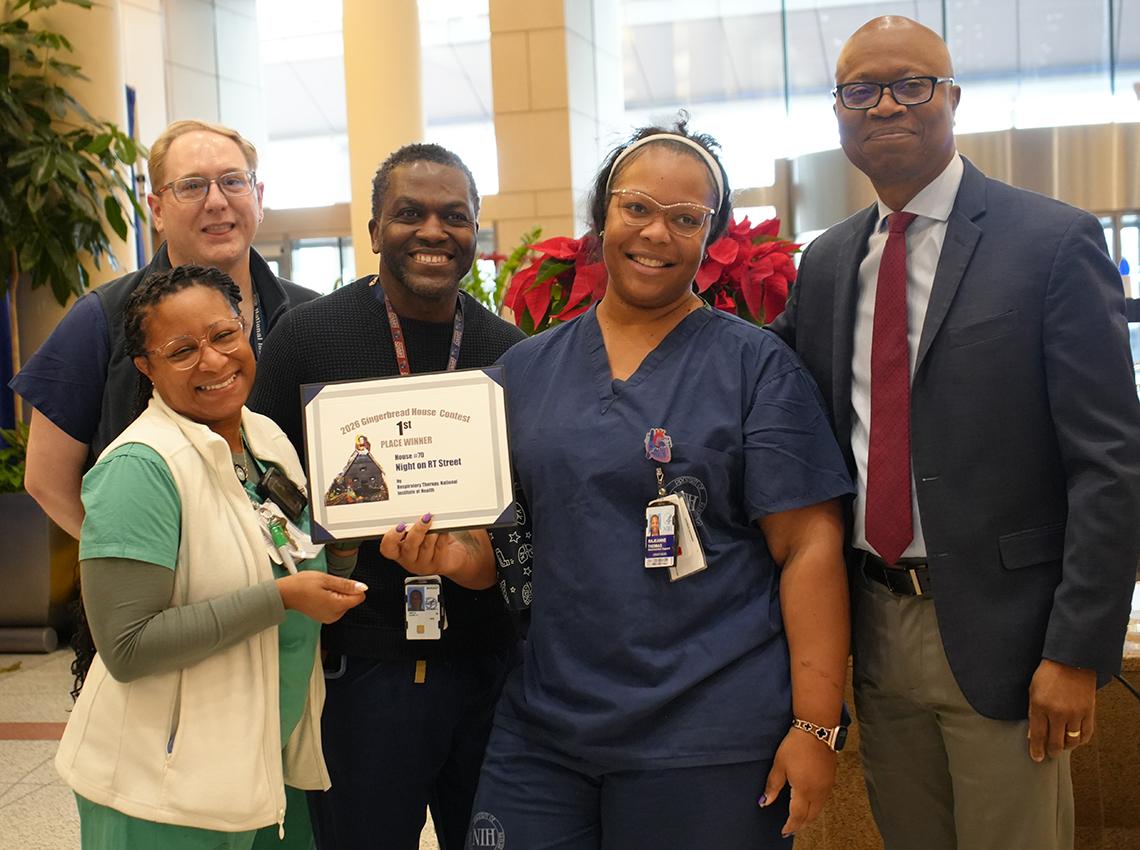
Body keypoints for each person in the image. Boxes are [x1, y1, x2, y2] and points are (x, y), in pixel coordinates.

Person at [386, 120, 854, 849]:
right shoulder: (525, 371)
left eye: (685, 218)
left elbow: (810, 548)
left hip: (709, 736)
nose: (655, 235)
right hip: (545, 729)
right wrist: (450, 558)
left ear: (712, 235)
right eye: (636, 207)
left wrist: (816, 724)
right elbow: (501, 552)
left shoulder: (755, 369)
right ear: (602, 217)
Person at [768, 16, 1140, 850]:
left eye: (912, 84)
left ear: (954, 98)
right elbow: (769, 399)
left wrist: (1079, 650)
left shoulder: (1051, 243)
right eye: (860, 90)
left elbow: (1112, 464)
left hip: (1009, 637)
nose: (886, 105)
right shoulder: (827, 263)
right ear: (838, 112)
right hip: (873, 622)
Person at [249, 143, 526, 850]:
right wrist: (328, 545)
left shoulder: (511, 353)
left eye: (454, 216)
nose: (433, 231)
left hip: (485, 669)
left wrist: (482, 562)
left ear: (473, 234)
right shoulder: (307, 338)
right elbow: (257, 489)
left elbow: (535, 511)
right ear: (373, 230)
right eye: (409, 213)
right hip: (360, 671)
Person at [54, 265, 367, 849]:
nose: (214, 360)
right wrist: (278, 600)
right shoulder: (140, 469)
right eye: (181, 350)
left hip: (261, 763)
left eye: (225, 335)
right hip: (160, 790)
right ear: (145, 368)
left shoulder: (263, 438)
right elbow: (127, 646)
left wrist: (344, 549)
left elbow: (293, 562)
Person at [10, 119, 317, 542]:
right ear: (156, 210)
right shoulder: (103, 317)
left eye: (232, 181)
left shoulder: (311, 315)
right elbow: (46, 477)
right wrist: (131, 562)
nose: (216, 201)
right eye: (192, 186)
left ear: (258, 198)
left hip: (298, 583)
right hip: (161, 598)